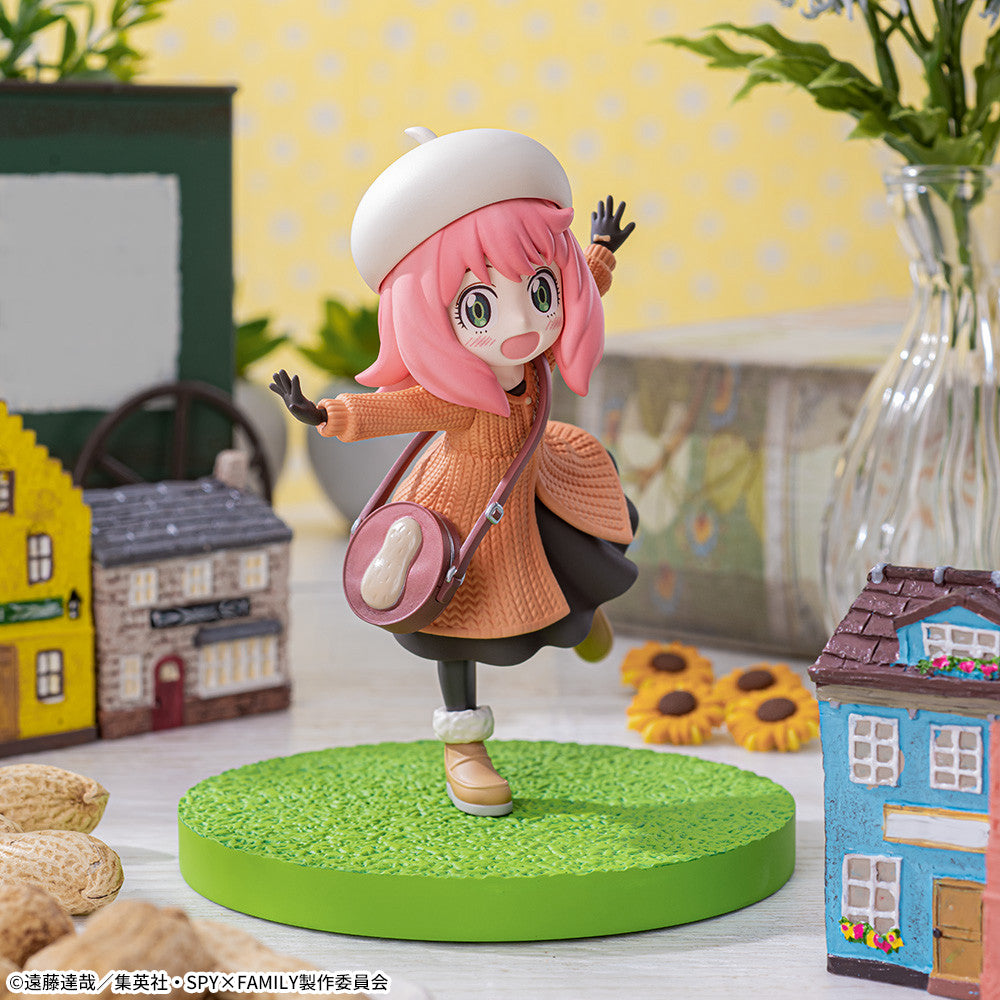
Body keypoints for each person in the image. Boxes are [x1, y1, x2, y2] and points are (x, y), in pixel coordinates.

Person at [272, 126, 637, 817]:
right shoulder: (457, 394)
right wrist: (325, 413)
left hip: (529, 481)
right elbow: (397, 407)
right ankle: (463, 744)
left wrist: (598, 250)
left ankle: (581, 614)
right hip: (463, 504)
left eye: (538, 291)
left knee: (580, 527)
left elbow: (580, 281)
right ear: (426, 316)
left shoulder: (535, 359)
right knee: (455, 616)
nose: (521, 323)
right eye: (478, 307)